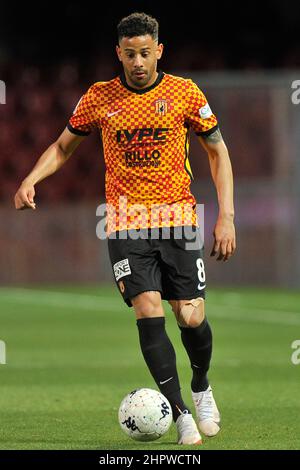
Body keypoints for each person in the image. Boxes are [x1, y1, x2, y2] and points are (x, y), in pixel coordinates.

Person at [14, 12, 236, 445]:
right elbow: (63, 146)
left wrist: (226, 215)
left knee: (191, 316)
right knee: (148, 308)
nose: (138, 61)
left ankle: (202, 385)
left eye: (145, 53)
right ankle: (181, 416)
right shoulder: (99, 97)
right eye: (130, 54)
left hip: (178, 219)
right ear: (119, 53)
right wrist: (31, 179)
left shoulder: (184, 93)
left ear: (159, 51)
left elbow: (218, 152)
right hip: (125, 223)